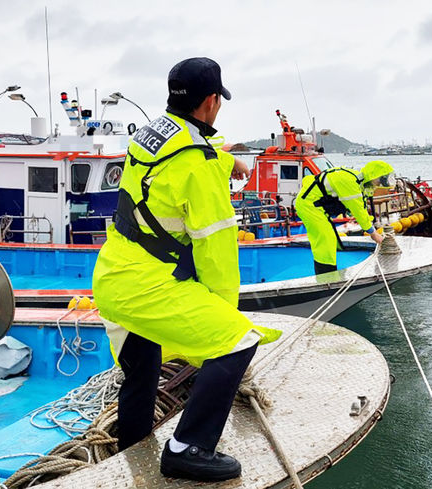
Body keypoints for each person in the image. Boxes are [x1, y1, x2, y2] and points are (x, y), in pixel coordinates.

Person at [92, 57, 282, 482]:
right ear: (212, 101)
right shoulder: (198, 165)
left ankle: (133, 450)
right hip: (149, 284)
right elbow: (216, 253)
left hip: (114, 277)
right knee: (236, 342)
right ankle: (187, 448)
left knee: (141, 372)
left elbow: (188, 149)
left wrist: (224, 158)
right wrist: (224, 318)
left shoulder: (148, 134)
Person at [295, 160, 394, 274]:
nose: (379, 184)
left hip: (318, 207)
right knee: (325, 239)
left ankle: (330, 273)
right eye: (380, 180)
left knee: (331, 238)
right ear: (373, 175)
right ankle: (326, 277)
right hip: (309, 206)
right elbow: (359, 212)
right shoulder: (350, 182)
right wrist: (373, 233)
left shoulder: (359, 183)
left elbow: (361, 207)